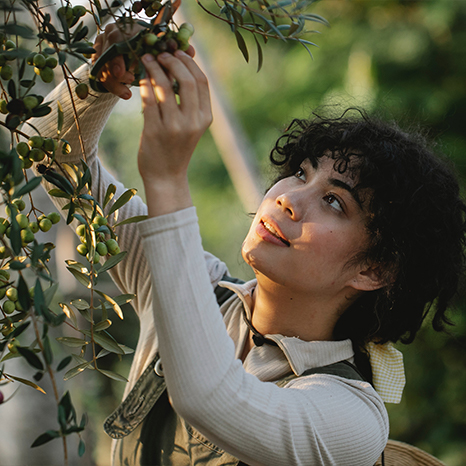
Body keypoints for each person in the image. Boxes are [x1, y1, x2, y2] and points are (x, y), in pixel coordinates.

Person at [32, 23, 466, 466]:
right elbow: (49, 153)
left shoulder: (350, 420)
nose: (288, 199)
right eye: (300, 173)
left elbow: (210, 398)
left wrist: (166, 179)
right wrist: (98, 82)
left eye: (334, 201)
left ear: (374, 270)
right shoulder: (191, 288)